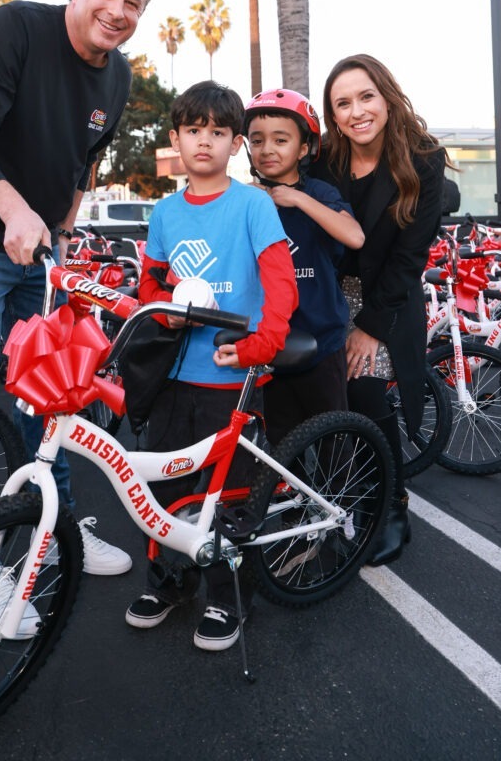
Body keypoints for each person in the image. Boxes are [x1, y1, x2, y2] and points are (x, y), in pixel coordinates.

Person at [0, 0, 154, 634]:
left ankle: (53, 533)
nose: (118, 11)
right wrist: (15, 211)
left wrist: (61, 227)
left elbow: (84, 163)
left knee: (52, 393)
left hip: (40, 250)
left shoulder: (117, 76)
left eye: (133, 3)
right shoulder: (15, 29)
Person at [124, 80, 297, 651]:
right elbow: (151, 285)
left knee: (230, 498)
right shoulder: (165, 212)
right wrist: (167, 313)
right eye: (193, 130)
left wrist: (260, 346)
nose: (204, 141)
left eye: (218, 132)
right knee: (165, 490)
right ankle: (169, 583)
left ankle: (228, 598)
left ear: (235, 143)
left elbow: (281, 285)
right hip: (175, 378)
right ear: (175, 139)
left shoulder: (252, 205)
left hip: (233, 382)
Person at [312, 53, 446, 566]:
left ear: (387, 98)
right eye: (343, 103)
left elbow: (409, 258)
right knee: (323, 395)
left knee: (366, 391)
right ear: (332, 114)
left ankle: (391, 506)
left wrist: (369, 327)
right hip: (327, 292)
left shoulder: (424, 159)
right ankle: (337, 495)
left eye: (366, 96)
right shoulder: (324, 158)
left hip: (386, 297)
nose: (357, 111)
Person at [243, 89, 364, 450]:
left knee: (333, 443)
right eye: (257, 141)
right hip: (268, 346)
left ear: (304, 148)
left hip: (322, 342)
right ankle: (289, 491)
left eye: (281, 140)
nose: (267, 149)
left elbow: (354, 236)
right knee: (280, 447)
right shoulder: (244, 198)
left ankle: (337, 490)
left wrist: (296, 198)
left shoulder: (319, 193)